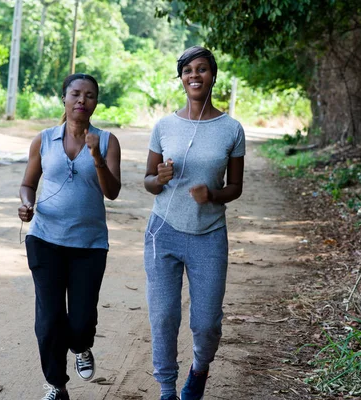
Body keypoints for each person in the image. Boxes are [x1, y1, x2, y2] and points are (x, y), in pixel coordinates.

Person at [143, 46, 245, 400]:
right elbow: (148, 181)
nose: (194, 76)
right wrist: (160, 178)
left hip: (209, 235)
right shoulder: (165, 126)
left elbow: (236, 187)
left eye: (202, 69)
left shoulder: (231, 129)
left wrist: (213, 195)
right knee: (164, 317)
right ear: (181, 78)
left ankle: (199, 370)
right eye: (188, 70)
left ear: (212, 76)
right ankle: (168, 389)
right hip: (163, 231)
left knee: (206, 324)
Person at [18, 73, 121, 400]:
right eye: (75, 94)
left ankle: (81, 346)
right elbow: (27, 184)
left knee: (80, 322)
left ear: (95, 102)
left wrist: (97, 159)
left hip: (89, 246)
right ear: (63, 98)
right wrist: (26, 204)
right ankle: (56, 385)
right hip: (45, 239)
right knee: (48, 320)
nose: (81, 100)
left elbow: (113, 192)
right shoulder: (44, 140)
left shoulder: (107, 141)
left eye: (89, 95)